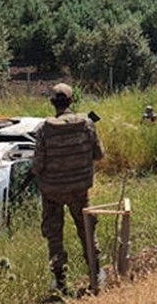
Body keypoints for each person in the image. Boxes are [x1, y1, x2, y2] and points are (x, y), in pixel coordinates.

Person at [33, 83, 105, 294]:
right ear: (72, 101)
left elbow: (37, 167)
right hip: (79, 191)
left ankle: (61, 283)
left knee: (55, 236)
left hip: (52, 193)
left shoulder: (45, 129)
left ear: (52, 103)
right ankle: (96, 275)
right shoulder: (87, 124)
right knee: (87, 231)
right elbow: (99, 155)